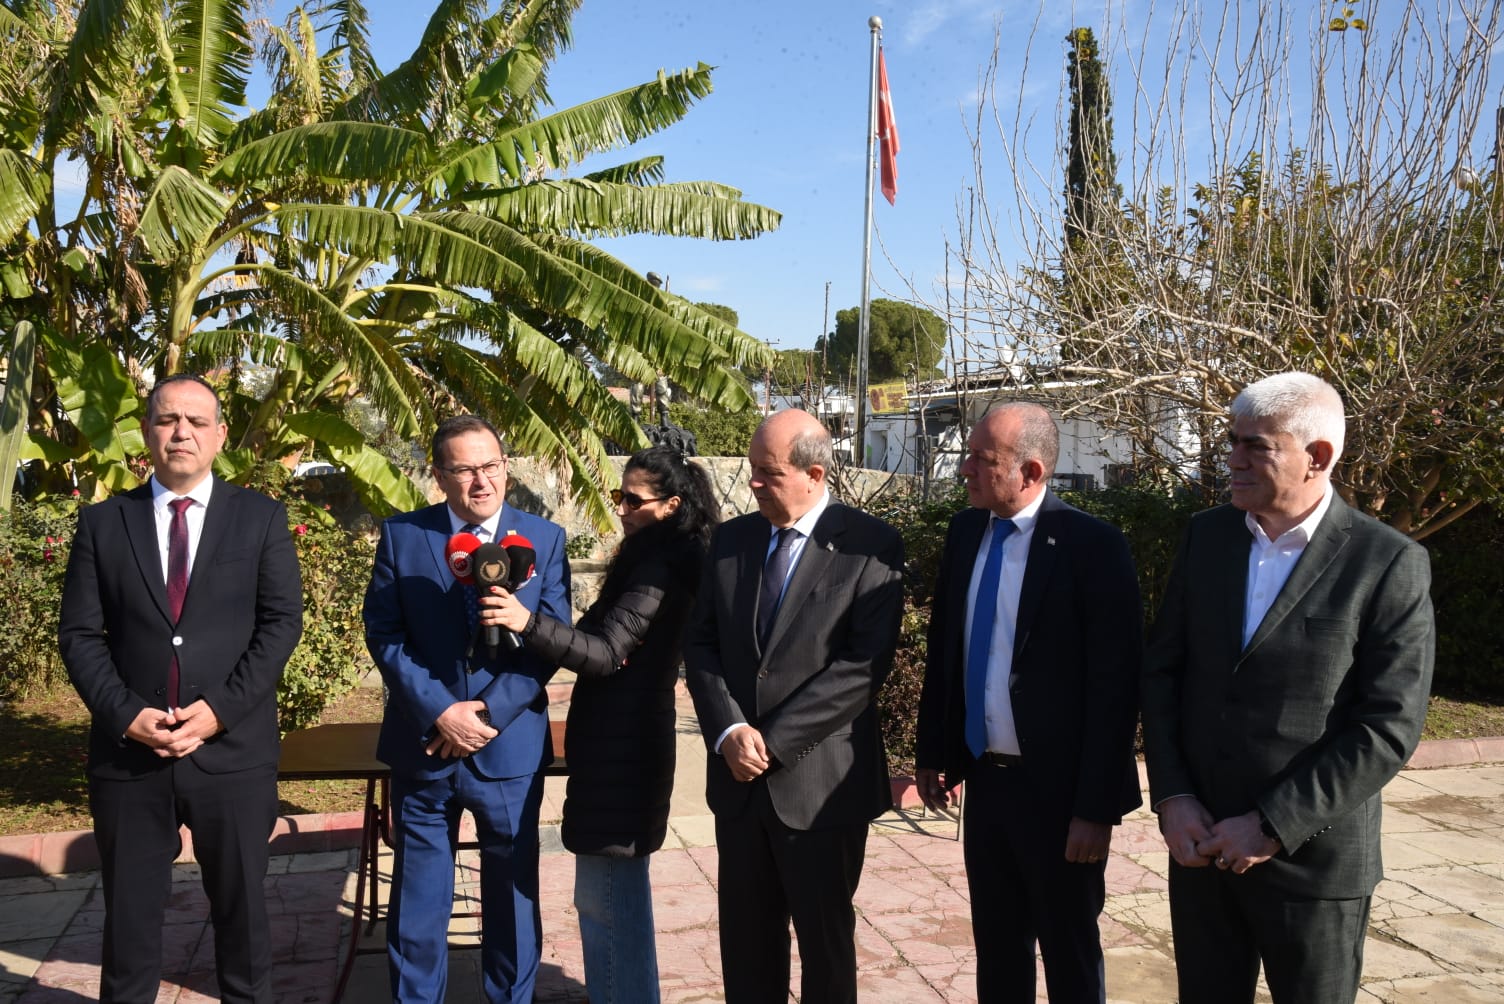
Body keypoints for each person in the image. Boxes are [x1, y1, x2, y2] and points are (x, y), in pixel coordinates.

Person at [1140, 372, 1435, 1004]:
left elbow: (1389, 726)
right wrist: (1174, 797)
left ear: (1317, 457)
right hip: (1202, 850)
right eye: (1231, 441)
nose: (1233, 459)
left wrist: (1272, 824)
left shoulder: (1387, 562)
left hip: (1314, 865)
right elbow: (1163, 673)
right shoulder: (1206, 537)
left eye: (1256, 446)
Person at [59, 374, 303, 1004]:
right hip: (130, 758)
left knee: (243, 923)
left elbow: (280, 625)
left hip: (233, 754)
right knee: (129, 929)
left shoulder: (260, 518)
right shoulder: (102, 524)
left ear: (220, 435)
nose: (181, 433)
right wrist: (125, 715)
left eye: (196, 421)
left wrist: (218, 712)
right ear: (146, 432)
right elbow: (80, 635)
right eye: (168, 420)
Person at [914, 402, 1143, 1003]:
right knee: (998, 950)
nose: (964, 469)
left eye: (981, 459)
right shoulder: (966, 532)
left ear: (1031, 471)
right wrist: (933, 750)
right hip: (987, 783)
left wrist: (1095, 809)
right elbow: (947, 648)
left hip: (1061, 797)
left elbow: (1116, 687)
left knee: (1069, 952)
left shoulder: (1092, 546)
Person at [683, 408, 905, 1004]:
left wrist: (773, 742)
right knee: (747, 947)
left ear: (814, 473)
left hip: (821, 787)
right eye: (753, 468)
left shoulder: (871, 545)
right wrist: (729, 729)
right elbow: (701, 644)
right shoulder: (731, 540)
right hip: (738, 785)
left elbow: (861, 668)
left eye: (769, 472)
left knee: (824, 948)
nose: (753, 482)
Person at [491, 444, 718, 1003]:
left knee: (609, 904)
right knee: (608, 900)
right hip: (617, 745)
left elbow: (605, 653)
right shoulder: (652, 557)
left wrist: (525, 621)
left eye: (633, 501)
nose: (621, 509)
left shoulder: (661, 567)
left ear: (670, 505)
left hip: (627, 751)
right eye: (620, 495)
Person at [362, 415, 571, 1004]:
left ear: (506, 467)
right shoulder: (404, 536)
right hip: (425, 747)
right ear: (438, 475)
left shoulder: (544, 538)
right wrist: (441, 711)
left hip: (508, 749)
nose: (481, 481)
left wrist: (487, 714)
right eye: (464, 470)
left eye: (491, 466)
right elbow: (385, 634)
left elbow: (552, 640)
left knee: (512, 895)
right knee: (417, 900)